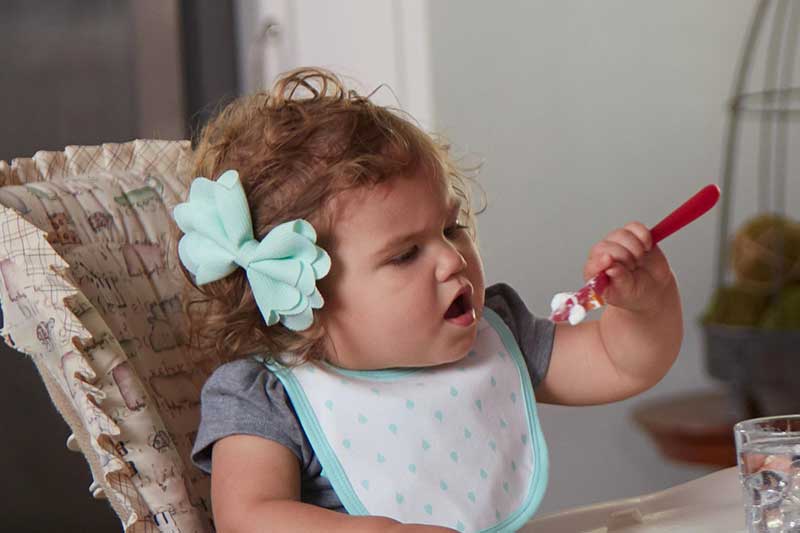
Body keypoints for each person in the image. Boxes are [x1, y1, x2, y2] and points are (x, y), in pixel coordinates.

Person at [175, 67, 683, 533]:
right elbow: (250, 518)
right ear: (308, 299)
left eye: (451, 228)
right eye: (405, 255)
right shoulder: (266, 397)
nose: (452, 259)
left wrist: (645, 303)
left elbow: (622, 363)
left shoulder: (497, 336)